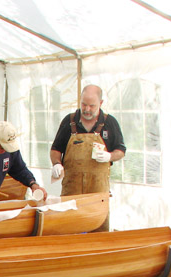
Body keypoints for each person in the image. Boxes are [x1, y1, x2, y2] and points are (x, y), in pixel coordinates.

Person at [50, 84, 126, 231]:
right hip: (71, 189)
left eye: (92, 106)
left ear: (101, 103)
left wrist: (109, 156)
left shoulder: (110, 123)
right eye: (84, 104)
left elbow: (121, 150)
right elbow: (55, 149)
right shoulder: (69, 121)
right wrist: (56, 164)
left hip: (97, 189)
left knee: (98, 228)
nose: (87, 109)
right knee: (67, 226)